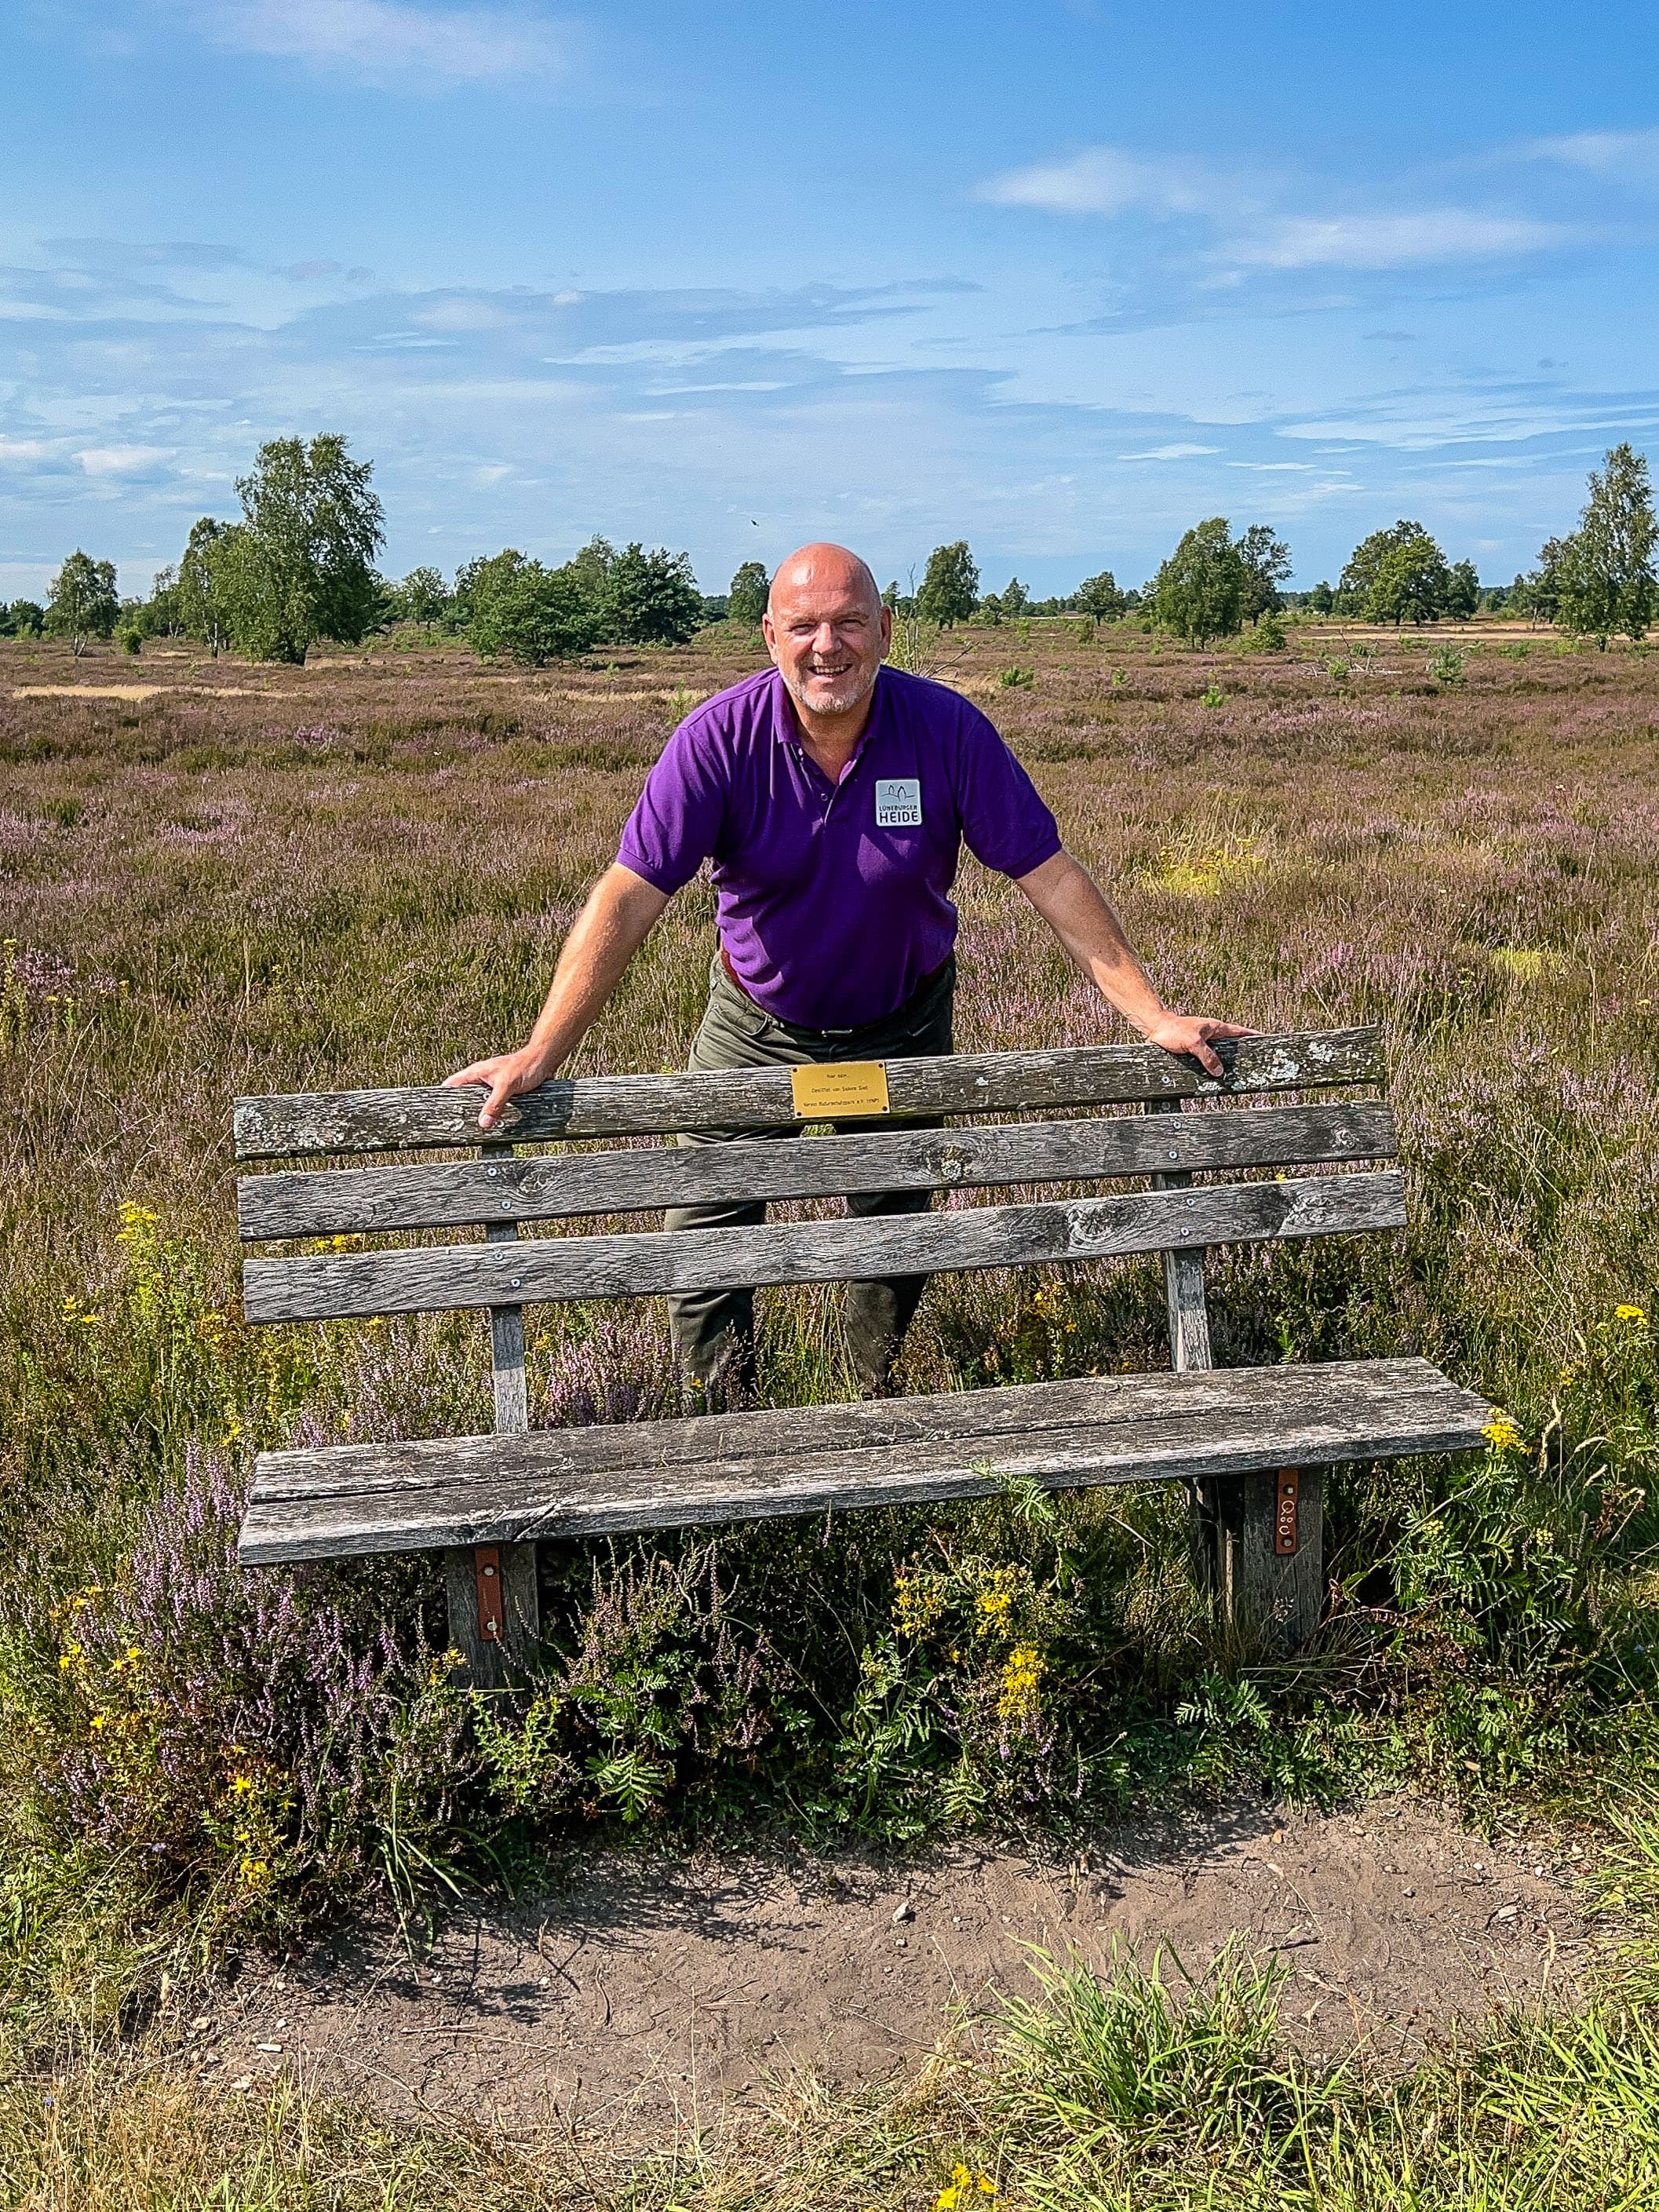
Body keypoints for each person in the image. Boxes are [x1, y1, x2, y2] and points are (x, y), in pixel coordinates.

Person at [446, 542, 1252, 1401]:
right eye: (802, 626)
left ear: (884, 630)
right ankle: (732, 1426)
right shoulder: (716, 741)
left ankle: (871, 1411)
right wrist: (542, 1051)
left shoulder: (945, 731)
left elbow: (1047, 873)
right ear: (768, 637)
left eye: (847, 623)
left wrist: (1149, 1015)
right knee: (706, 1229)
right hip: (755, 1026)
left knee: (893, 1235)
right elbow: (629, 895)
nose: (825, 646)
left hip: (901, 1022)